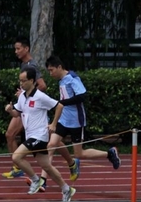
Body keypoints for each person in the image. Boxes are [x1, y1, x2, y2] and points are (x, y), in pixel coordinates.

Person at [27, 55, 121, 191]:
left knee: (79, 154)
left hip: (76, 121)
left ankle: (109, 154)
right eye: (48, 71)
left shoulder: (72, 78)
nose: (50, 73)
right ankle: (43, 180)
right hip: (63, 120)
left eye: (52, 70)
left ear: (60, 67)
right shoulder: (61, 80)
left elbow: (82, 96)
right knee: (51, 145)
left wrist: (62, 103)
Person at [4, 67, 76, 202]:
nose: (21, 84)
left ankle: (35, 180)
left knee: (16, 157)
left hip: (39, 135)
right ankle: (67, 189)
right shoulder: (22, 97)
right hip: (30, 135)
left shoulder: (40, 96)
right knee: (47, 166)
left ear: (32, 80)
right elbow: (17, 114)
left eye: (24, 81)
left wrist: (53, 124)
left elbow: (59, 106)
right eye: (20, 81)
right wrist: (10, 110)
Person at [2, 37, 47, 180]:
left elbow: (42, 85)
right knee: (10, 135)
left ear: (26, 49)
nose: (16, 51)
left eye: (18, 48)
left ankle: (18, 168)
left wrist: (27, 94)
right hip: (24, 106)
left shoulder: (31, 65)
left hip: (29, 108)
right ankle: (18, 167)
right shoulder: (25, 64)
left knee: (10, 135)